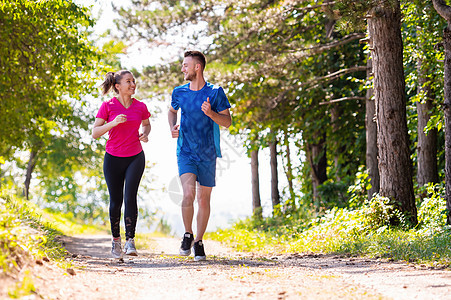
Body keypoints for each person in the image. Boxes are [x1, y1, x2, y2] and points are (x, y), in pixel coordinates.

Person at [168, 50, 232, 261]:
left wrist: (211, 113)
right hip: (185, 151)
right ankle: (188, 234)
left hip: (207, 153)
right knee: (187, 194)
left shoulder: (215, 92)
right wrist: (172, 127)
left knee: (203, 200)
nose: (182, 69)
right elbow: (171, 111)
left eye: (186, 65)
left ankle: (199, 241)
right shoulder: (179, 92)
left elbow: (227, 122)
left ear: (197, 67)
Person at [92, 70, 151, 259]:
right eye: (128, 81)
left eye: (133, 81)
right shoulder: (107, 106)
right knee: (116, 200)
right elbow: (95, 132)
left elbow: (147, 124)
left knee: (130, 196)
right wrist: (113, 123)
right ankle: (116, 241)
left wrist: (145, 133)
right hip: (113, 158)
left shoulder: (140, 106)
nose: (133, 84)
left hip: (135, 156)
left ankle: (130, 241)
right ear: (117, 86)